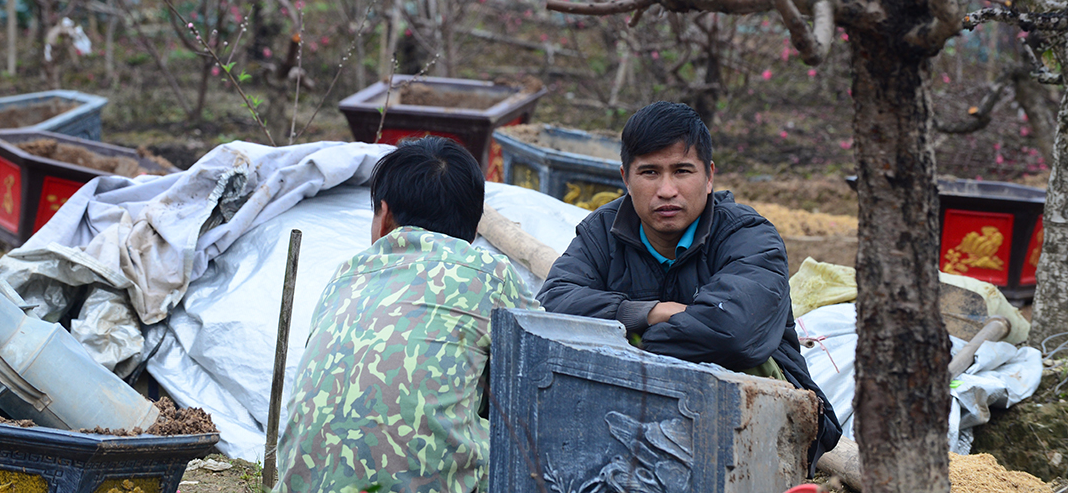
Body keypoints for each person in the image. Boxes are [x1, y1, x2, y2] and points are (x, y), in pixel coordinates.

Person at [537, 101, 841, 469]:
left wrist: (629, 343)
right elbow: (551, 305)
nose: (666, 190)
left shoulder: (748, 235)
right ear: (624, 178)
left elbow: (734, 333)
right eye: (649, 172)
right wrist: (651, 312)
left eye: (682, 171)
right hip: (634, 413)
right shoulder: (602, 232)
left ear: (709, 176)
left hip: (754, 424)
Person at [273, 136, 540, 493]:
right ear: (475, 227)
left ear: (384, 216)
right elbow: (543, 366)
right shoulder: (490, 274)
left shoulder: (345, 276)